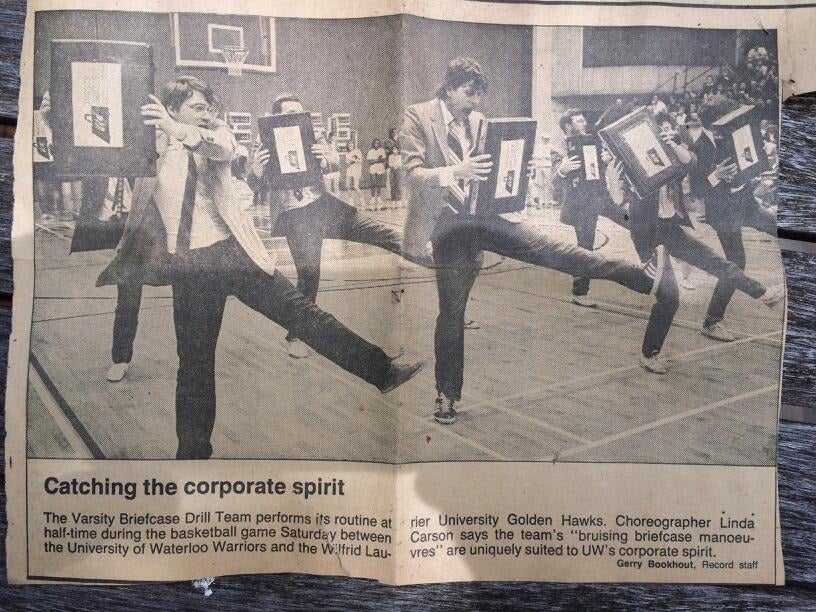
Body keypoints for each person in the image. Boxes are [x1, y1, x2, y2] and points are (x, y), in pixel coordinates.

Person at [98, 77, 423, 459]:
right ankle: (192, 454)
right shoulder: (148, 150)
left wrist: (182, 129)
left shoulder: (213, 133)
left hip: (234, 255)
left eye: (208, 108)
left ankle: (382, 370)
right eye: (197, 107)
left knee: (304, 315)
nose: (207, 114)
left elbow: (223, 148)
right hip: (189, 268)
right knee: (195, 365)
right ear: (172, 107)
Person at [401, 57, 670, 425]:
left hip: (487, 218)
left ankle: (640, 276)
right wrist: (455, 172)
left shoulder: (480, 122)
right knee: (451, 313)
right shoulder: (418, 116)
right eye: (469, 93)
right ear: (448, 88)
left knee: (557, 252)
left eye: (480, 94)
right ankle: (446, 395)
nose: (476, 102)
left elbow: (494, 173)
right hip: (447, 228)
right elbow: (413, 174)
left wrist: (515, 173)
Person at [604, 112, 783, 374]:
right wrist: (612, 181)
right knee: (669, 299)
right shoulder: (632, 165)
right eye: (658, 131)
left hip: (670, 228)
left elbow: (692, 162)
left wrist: (673, 145)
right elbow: (620, 203)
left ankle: (765, 295)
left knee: (718, 262)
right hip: (646, 235)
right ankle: (649, 354)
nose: (663, 134)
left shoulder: (675, 157)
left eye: (666, 130)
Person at [247, 93, 422, 359]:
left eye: (300, 110)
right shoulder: (264, 142)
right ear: (277, 116)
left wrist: (325, 158)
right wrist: (256, 172)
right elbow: (254, 185)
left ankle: (424, 250)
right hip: (295, 215)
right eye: (289, 111)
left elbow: (334, 163)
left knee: (375, 229)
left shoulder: (314, 136)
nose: (296, 115)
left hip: (323, 206)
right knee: (309, 276)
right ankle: (295, 335)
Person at [689, 95, 781, 343]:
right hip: (723, 213)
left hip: (746, 203)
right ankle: (712, 321)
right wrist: (716, 175)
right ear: (713, 124)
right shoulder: (699, 148)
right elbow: (697, 189)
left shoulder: (733, 133)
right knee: (736, 263)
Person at [551, 108, 627, 308]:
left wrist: (604, 161)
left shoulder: (592, 140)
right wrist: (561, 170)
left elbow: (595, 168)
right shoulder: (559, 149)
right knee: (585, 247)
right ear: (568, 126)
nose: (584, 124)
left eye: (584, 120)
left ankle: (651, 252)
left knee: (632, 220)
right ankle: (579, 293)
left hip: (601, 197)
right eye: (579, 121)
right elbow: (554, 180)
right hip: (581, 205)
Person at [367, 138, 387, 210]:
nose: (376, 144)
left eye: (378, 143)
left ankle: (378, 197)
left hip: (380, 167)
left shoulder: (381, 150)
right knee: (373, 183)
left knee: (379, 183)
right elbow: (370, 162)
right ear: (373, 144)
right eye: (375, 143)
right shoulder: (370, 151)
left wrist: (375, 160)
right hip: (372, 168)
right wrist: (378, 159)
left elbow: (384, 159)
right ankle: (372, 198)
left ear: (379, 144)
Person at [345, 140, 364, 208]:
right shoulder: (347, 153)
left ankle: (362, 200)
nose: (350, 146)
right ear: (347, 146)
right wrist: (353, 160)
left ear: (353, 145)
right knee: (347, 186)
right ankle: (351, 201)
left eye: (351, 144)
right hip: (350, 169)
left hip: (356, 169)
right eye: (349, 145)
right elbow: (348, 163)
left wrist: (353, 160)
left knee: (356, 186)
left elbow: (360, 160)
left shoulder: (357, 151)